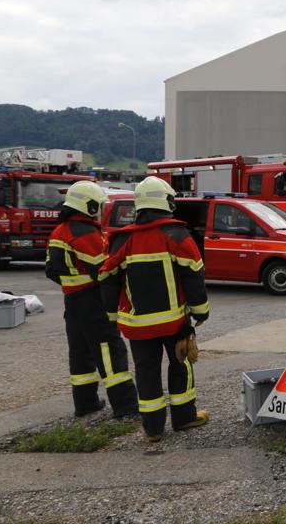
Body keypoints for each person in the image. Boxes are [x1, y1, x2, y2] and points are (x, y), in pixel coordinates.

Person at [100, 177, 210, 442]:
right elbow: (193, 274)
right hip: (174, 322)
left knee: (146, 373)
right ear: (166, 201)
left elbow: (107, 279)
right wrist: (200, 311)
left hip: (137, 326)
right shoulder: (176, 234)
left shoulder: (121, 240)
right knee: (181, 365)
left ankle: (153, 429)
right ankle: (184, 418)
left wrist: (112, 316)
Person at [46, 181, 138, 418]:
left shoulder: (59, 231)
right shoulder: (84, 232)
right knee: (110, 349)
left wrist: (73, 284)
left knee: (80, 353)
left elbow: (50, 270)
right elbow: (104, 269)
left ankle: (85, 404)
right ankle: (126, 407)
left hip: (72, 302)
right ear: (88, 205)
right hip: (93, 301)